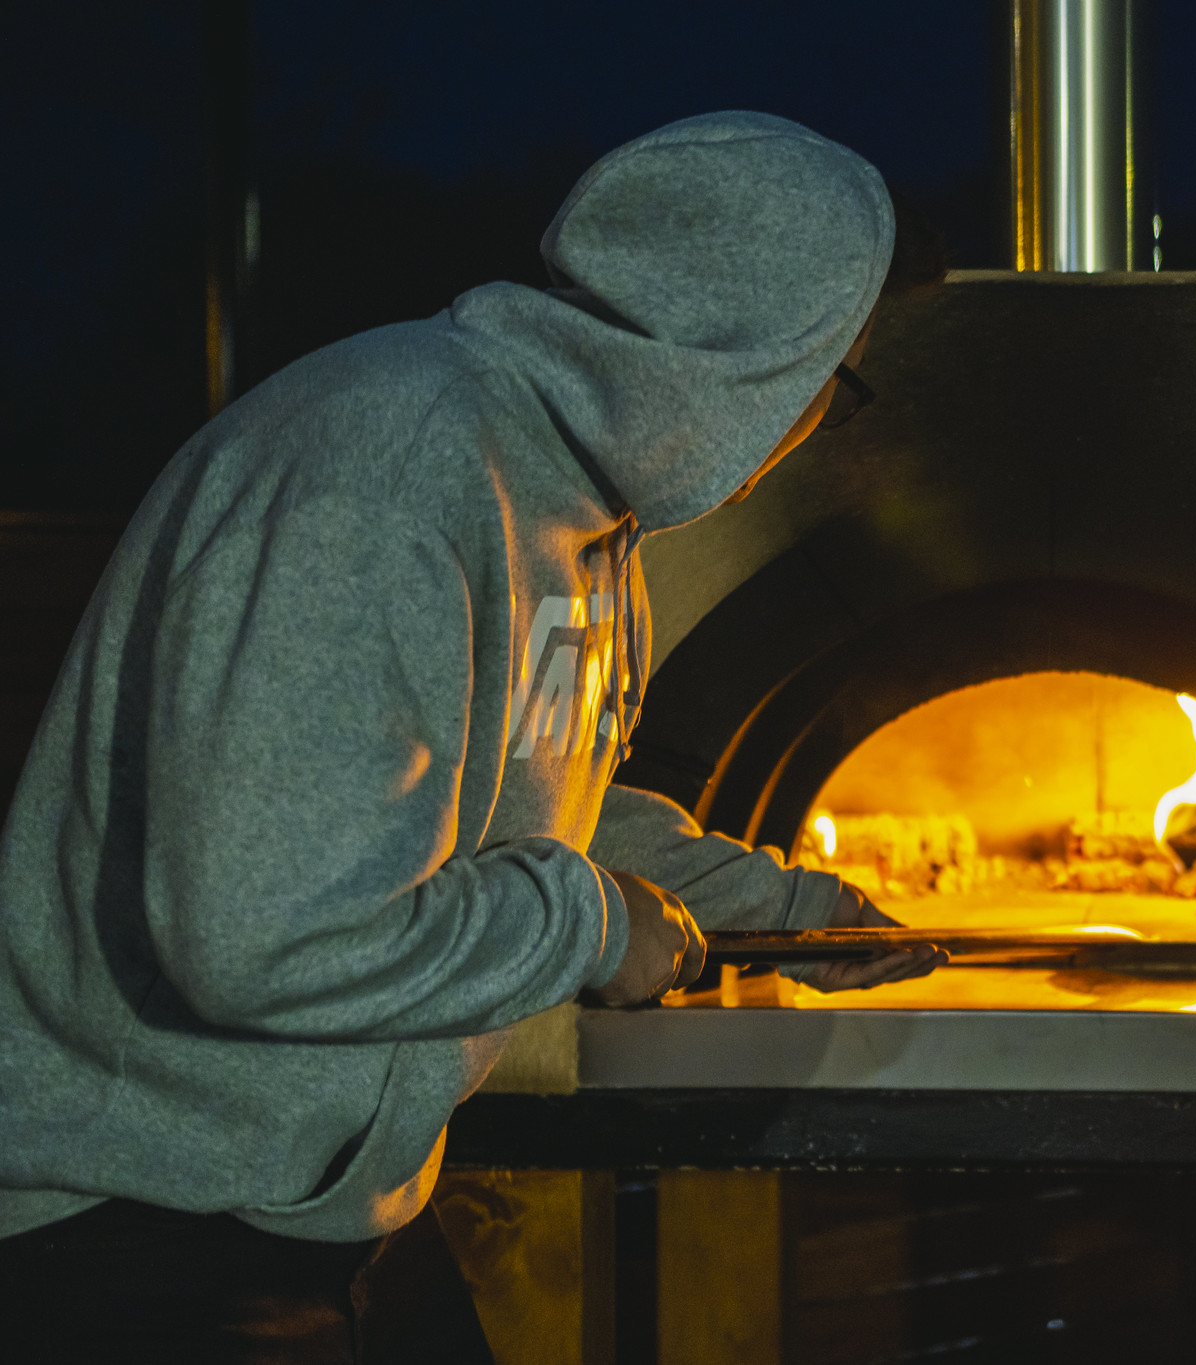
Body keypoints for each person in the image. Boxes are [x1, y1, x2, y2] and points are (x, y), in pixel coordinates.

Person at [0, 111, 944, 1361]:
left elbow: (529, 810)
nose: (816, 422)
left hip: (325, 1202)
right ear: (740, 359)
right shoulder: (379, 474)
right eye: (832, 380)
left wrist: (790, 909)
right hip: (141, 1229)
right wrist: (596, 928)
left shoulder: (582, 516)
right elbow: (261, 935)